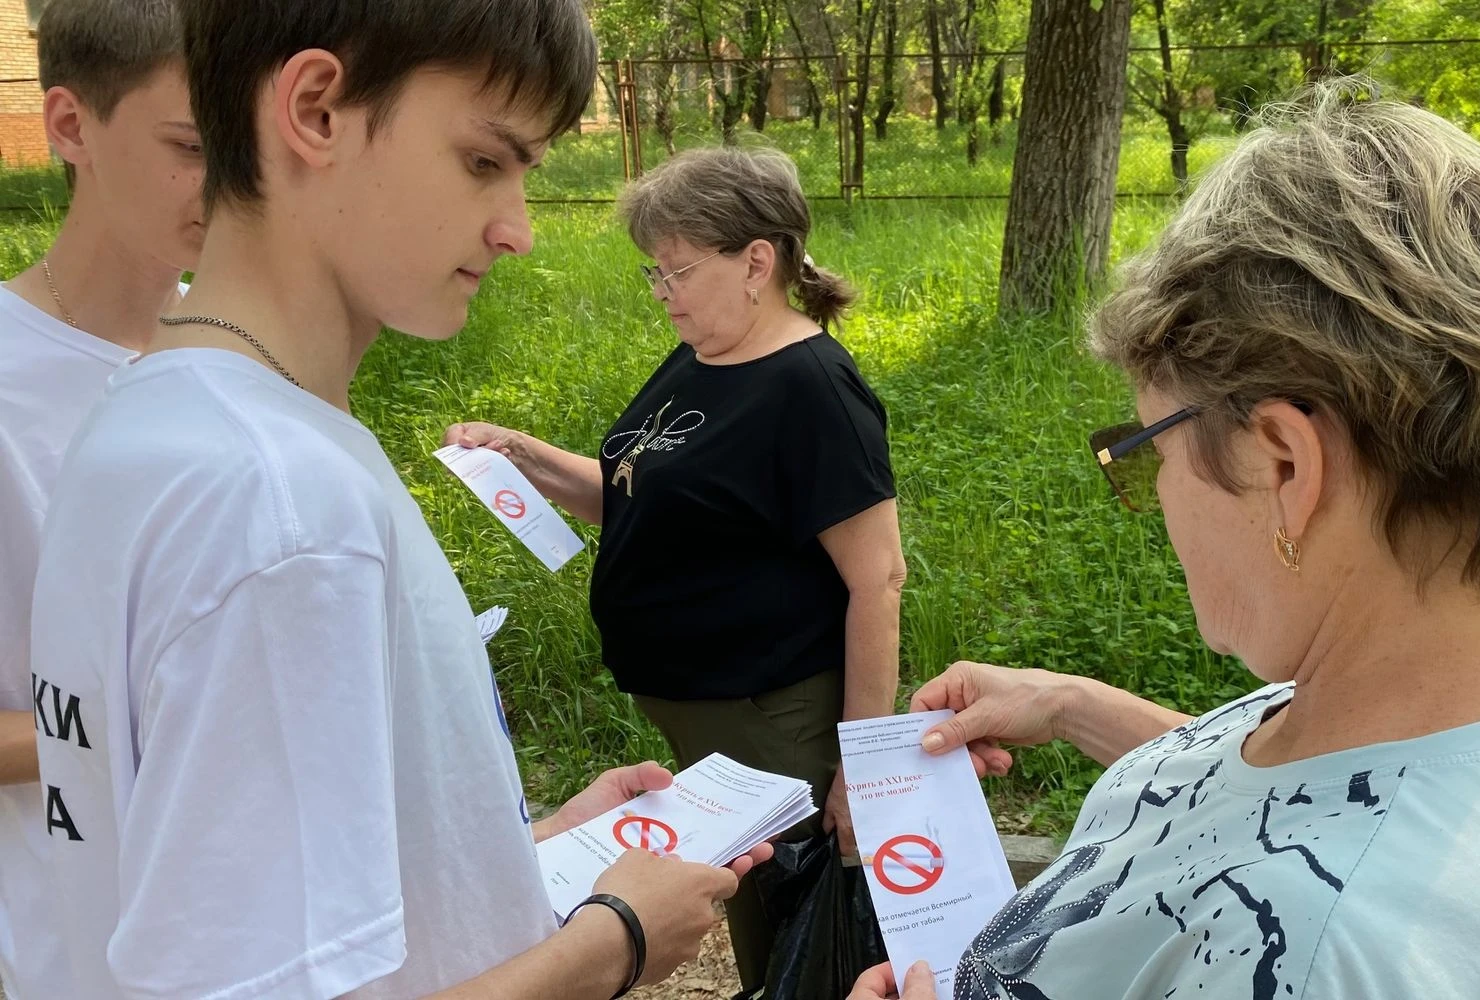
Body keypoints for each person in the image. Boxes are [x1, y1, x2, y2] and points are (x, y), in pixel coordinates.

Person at [851, 80, 1480, 1000]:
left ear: (1285, 466)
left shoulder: (1307, 962)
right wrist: (1072, 705)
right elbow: (1329, 805)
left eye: (1151, 451)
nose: (1153, 495)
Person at [28, 2, 767, 997]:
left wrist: (514, 849)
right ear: (316, 110)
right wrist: (614, 943)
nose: (517, 232)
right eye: (482, 160)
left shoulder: (157, 417)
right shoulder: (282, 504)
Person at [445, 145, 906, 995]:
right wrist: (522, 453)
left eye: (677, 271)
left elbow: (876, 579)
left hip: (769, 714)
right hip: (697, 708)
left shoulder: (811, 387)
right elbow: (637, 496)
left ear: (756, 262)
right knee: (752, 898)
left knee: (791, 923)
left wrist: (863, 762)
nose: (662, 293)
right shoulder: (702, 355)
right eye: (654, 273)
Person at [0, 2, 202, 996]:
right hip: (73, 938)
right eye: (192, 146)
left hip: (243, 917)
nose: (236, 184)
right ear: (72, 126)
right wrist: (173, 719)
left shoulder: (243, 356)